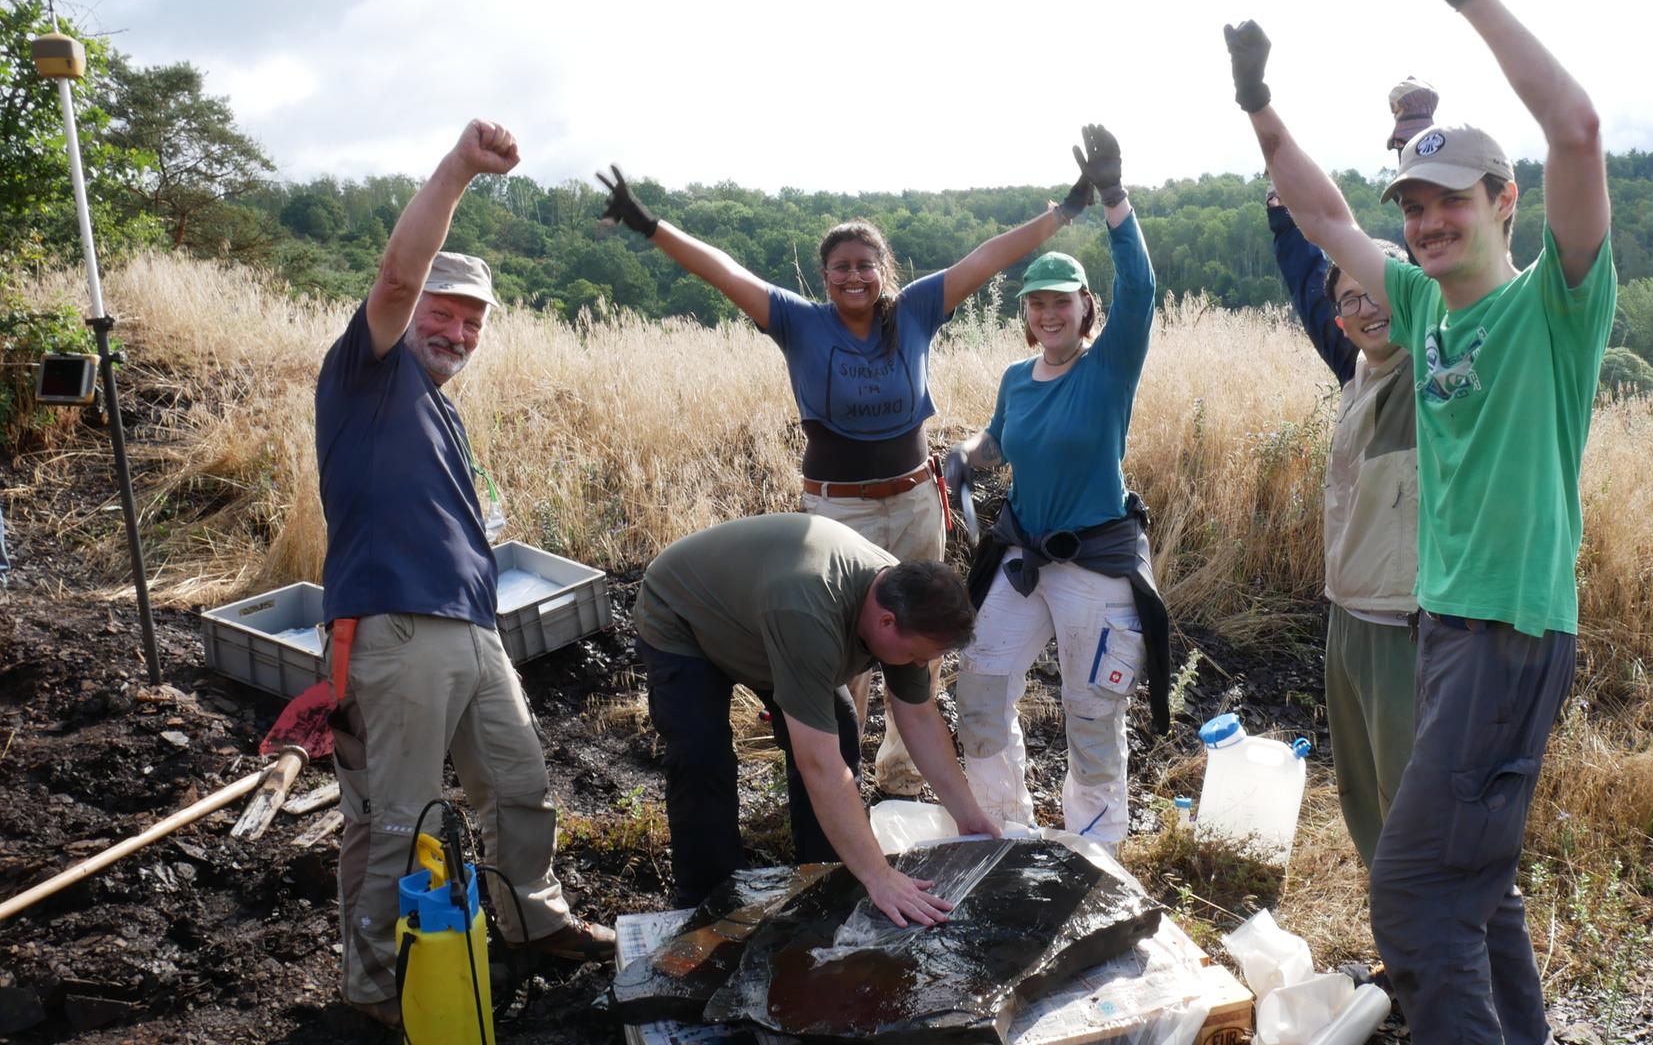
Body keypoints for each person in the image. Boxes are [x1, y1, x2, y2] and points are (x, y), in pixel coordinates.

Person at [1227, 0, 1617, 1036]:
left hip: (1510, 629)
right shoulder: (1419, 306)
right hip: (1448, 629)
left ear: (1504, 202)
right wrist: (1259, 104)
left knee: (1412, 895)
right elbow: (1319, 215)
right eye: (1415, 204)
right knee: (1471, 889)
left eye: (1452, 198)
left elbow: (1576, 127)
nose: (1430, 218)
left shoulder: (1553, 309)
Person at [601, 154, 1096, 800]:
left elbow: (989, 258)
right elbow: (721, 269)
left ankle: (900, 773)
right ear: (826, 275)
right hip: (838, 516)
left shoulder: (916, 310)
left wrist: (1069, 208)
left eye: (866, 264)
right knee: (843, 652)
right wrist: (648, 223)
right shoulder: (797, 321)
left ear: (883, 271)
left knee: (916, 641)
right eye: (842, 267)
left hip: (917, 501)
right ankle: (840, 779)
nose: (854, 276)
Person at [315, 120, 613, 1030]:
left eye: (472, 320)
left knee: (519, 786)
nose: (455, 329)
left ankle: (533, 920)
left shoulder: (438, 413)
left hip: (472, 632)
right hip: (394, 631)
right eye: (442, 312)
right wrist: (457, 169)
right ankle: (373, 990)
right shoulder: (366, 375)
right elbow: (400, 275)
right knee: (397, 820)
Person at [946, 124, 1171, 849]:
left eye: (1062, 302)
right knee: (978, 691)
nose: (1049, 313)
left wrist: (1113, 197)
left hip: (1097, 567)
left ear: (1084, 310)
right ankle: (999, 835)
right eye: (1037, 304)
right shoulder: (1017, 377)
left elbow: (1141, 285)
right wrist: (963, 454)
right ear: (1026, 316)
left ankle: (1095, 862)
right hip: (1024, 558)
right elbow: (997, 441)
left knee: (1090, 716)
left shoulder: (1107, 370)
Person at [631, 512, 998, 925]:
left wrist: (968, 816)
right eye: (915, 657)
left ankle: (825, 875)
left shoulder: (911, 608)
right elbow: (820, 766)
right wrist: (880, 875)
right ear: (886, 622)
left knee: (839, 727)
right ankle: (708, 899)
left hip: (766, 620)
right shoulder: (810, 612)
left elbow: (919, 717)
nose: (917, 665)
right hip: (684, 614)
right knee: (701, 755)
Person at [1267, 175, 1418, 873]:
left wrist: (1415, 136)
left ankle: (1435, 962)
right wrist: (1283, 214)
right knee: (1363, 802)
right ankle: (1398, 950)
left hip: (1409, 626)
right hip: (1347, 618)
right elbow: (1311, 289)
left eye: (1377, 290)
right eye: (1349, 299)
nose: (1363, 307)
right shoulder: (1358, 370)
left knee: (1413, 805)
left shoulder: (1438, 371)